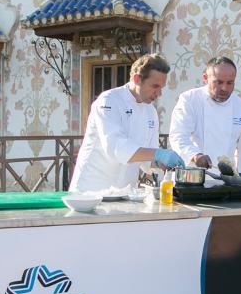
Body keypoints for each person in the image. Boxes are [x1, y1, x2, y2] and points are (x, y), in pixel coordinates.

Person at [69, 53, 184, 193]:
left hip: (125, 192)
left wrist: (163, 162)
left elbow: (147, 160)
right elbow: (115, 147)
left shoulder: (151, 112)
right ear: (137, 79)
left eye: (161, 87)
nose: (159, 93)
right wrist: (159, 154)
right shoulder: (108, 101)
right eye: (155, 86)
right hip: (91, 189)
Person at [168, 56, 241, 174]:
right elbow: (178, 136)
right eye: (218, 82)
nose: (225, 88)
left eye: (230, 83)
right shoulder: (189, 100)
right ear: (205, 78)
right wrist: (195, 155)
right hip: (192, 177)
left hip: (225, 180)